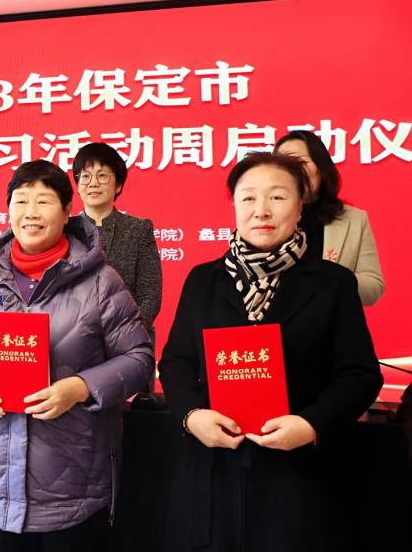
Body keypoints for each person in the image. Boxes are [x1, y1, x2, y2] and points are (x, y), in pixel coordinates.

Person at [159, 152, 383, 552]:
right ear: (234, 206)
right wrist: (192, 417)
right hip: (212, 470)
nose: (261, 210)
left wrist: (312, 424)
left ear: (300, 206)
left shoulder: (332, 283)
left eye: (277, 197)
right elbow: (177, 361)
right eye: (248, 197)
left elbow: (359, 374)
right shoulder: (203, 279)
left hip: (298, 475)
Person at [0, 160, 153, 549]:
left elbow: (139, 358)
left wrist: (81, 388)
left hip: (73, 481)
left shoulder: (101, 282)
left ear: (68, 211)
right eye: (21, 201)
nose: (31, 212)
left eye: (44, 201)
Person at [274, 130, 384, 305]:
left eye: (299, 162)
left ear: (321, 168)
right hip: (278, 321)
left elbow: (373, 288)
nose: (291, 170)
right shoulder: (263, 216)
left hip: (332, 320)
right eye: (283, 164)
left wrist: (329, 279)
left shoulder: (354, 219)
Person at [72, 142, 162, 343]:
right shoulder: (66, 231)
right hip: (77, 344)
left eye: (102, 175)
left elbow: (150, 296)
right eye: (85, 176)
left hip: (131, 341)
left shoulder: (139, 229)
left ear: (118, 185)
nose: (93, 183)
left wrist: (123, 335)